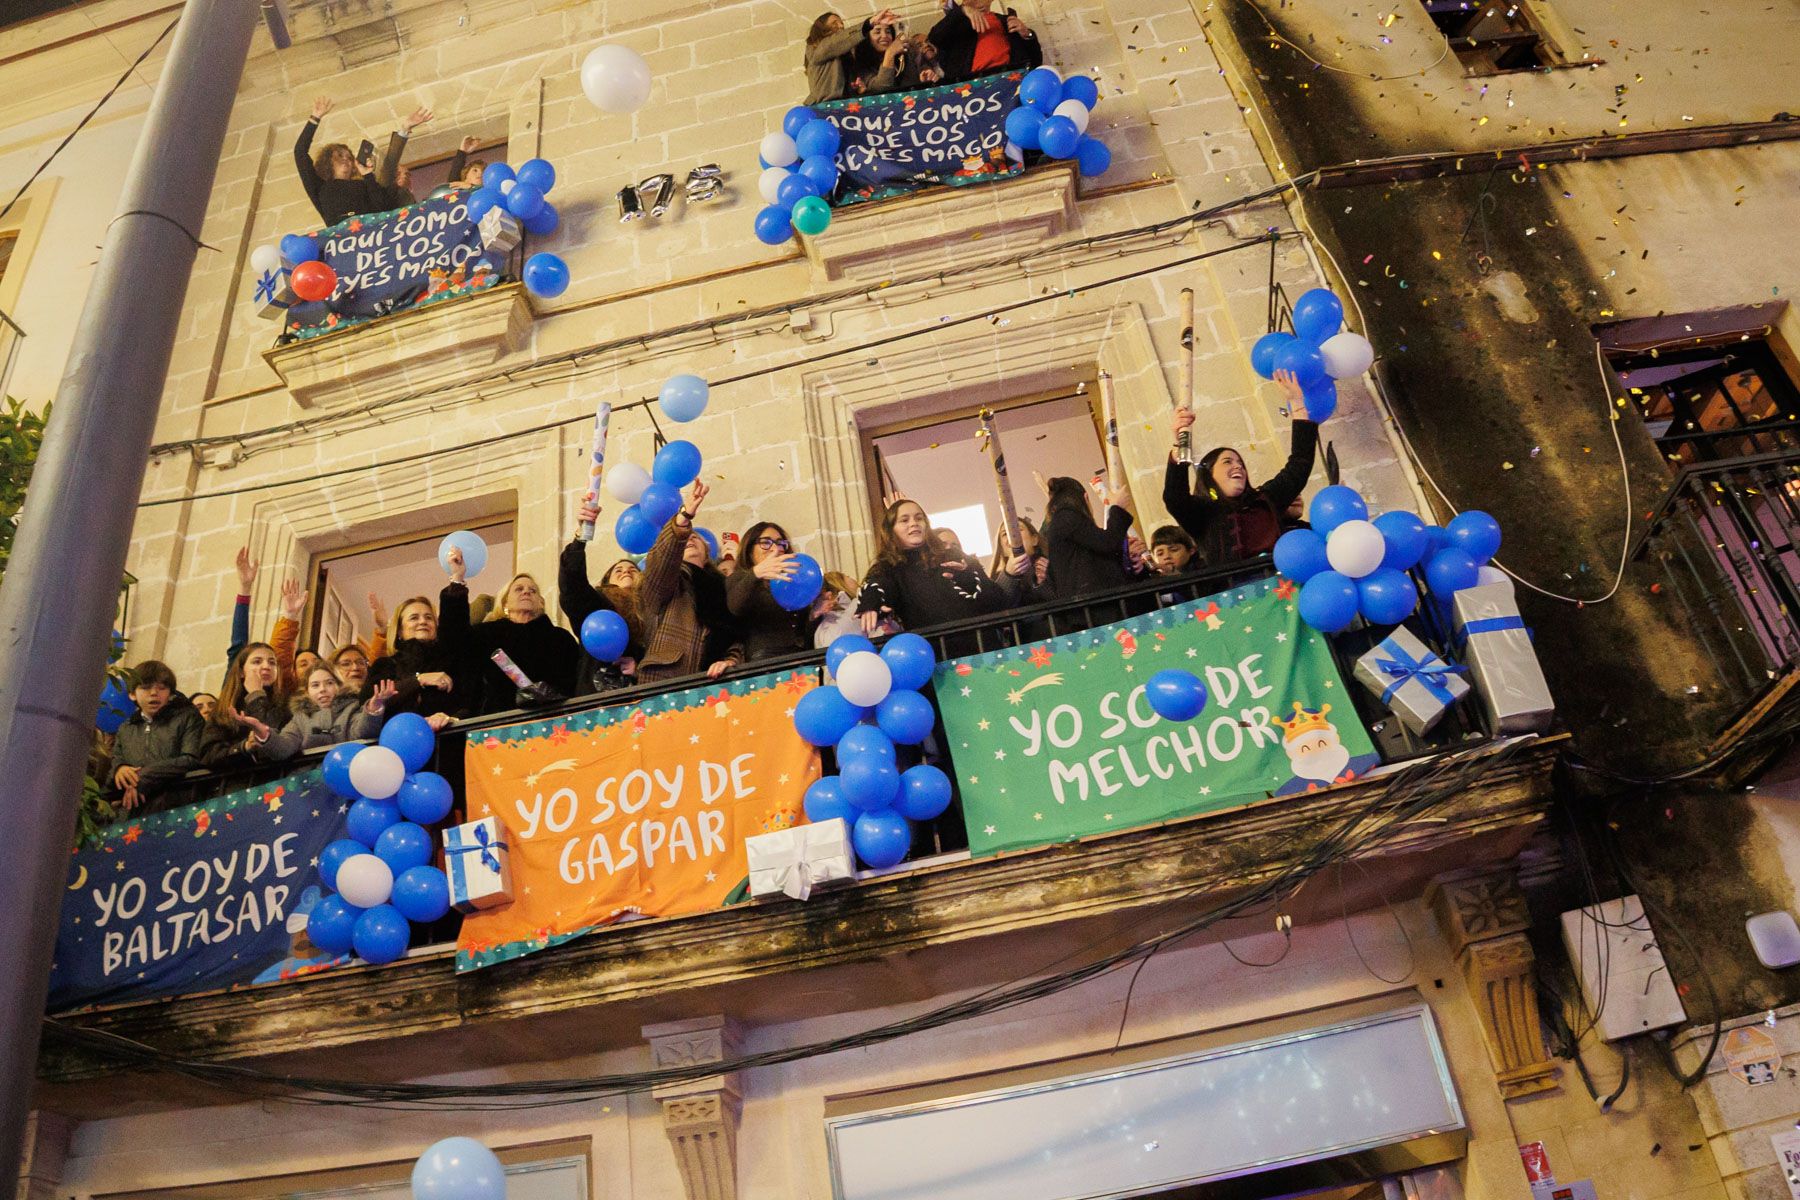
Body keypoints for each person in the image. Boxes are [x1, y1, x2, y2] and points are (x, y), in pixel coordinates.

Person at [1164, 368, 1320, 565]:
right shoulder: (1201, 512)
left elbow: (1299, 464)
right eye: (1228, 461)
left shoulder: (1266, 499)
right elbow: (1174, 498)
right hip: (1233, 583)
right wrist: (1180, 443)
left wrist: (1297, 404)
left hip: (1280, 581)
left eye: (1241, 463)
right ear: (1209, 474)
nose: (1238, 467)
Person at [859, 499, 1026, 633]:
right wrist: (870, 603)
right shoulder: (889, 568)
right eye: (904, 520)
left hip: (982, 648)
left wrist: (967, 578)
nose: (914, 523)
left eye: (919, 518)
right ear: (891, 529)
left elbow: (996, 600)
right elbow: (877, 584)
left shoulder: (953, 555)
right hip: (935, 654)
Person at [440, 559, 583, 713]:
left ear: (541, 603)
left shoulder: (560, 639)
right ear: (505, 603)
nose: (526, 592)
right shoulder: (488, 634)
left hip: (554, 719)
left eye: (533, 590)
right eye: (519, 589)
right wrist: (457, 579)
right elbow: (454, 638)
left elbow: (576, 681)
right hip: (499, 720)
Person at [636, 482, 743, 683]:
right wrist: (683, 519)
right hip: (666, 682)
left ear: (707, 550)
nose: (690, 540)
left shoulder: (722, 586)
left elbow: (735, 637)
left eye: (696, 538)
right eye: (686, 538)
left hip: (715, 687)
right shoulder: (665, 581)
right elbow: (662, 560)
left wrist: (730, 661)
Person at [294, 97, 431, 226]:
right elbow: (300, 153)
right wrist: (315, 118)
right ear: (327, 161)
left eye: (349, 157)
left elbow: (382, 207)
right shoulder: (320, 187)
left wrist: (368, 176)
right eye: (340, 155)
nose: (346, 159)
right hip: (343, 239)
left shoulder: (364, 184)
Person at [561, 502, 646, 695]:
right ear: (607, 581)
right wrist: (581, 536)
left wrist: (640, 668)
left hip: (644, 701)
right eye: (618, 570)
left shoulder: (653, 608)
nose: (626, 571)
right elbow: (572, 586)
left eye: (633, 570)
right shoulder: (598, 605)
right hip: (594, 697)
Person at [109, 661, 207, 814]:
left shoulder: (188, 717)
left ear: (170, 693)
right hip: (134, 810)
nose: (154, 693)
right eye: (146, 687)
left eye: (162, 688)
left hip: (177, 805)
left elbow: (191, 759)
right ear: (132, 694)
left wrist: (144, 776)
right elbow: (116, 761)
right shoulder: (126, 728)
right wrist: (120, 769)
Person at [249, 665, 394, 761]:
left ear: (339, 686)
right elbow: (284, 748)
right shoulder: (300, 718)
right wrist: (264, 734)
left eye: (329, 683)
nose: (322, 689)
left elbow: (363, 731)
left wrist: (373, 709)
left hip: (348, 772)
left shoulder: (352, 708)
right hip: (309, 781)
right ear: (307, 691)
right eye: (315, 685)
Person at [365, 596, 468, 727]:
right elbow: (370, 701)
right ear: (400, 630)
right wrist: (418, 680)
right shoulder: (385, 664)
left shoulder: (451, 662)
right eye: (414, 618)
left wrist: (450, 718)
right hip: (397, 736)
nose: (423, 621)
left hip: (447, 736)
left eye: (429, 617)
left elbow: (469, 703)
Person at [726, 521, 812, 661]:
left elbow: (802, 631)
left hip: (800, 658)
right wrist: (756, 574)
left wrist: (814, 616)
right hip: (765, 661)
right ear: (749, 551)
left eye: (780, 543)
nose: (775, 549)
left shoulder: (791, 581)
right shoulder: (739, 578)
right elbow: (735, 607)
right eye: (766, 543)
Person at [1041, 476, 1134, 599]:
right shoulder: (1067, 517)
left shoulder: (1060, 522)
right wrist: (1118, 508)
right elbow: (1107, 543)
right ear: (1085, 498)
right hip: (1094, 600)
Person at [200, 643, 289, 771]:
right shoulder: (224, 708)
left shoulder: (286, 704)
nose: (266, 667)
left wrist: (256, 695)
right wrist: (244, 747)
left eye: (272, 663)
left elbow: (272, 742)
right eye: (257, 662)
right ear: (241, 672)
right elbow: (208, 755)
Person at [928, 0, 1041, 84]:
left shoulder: (1006, 21)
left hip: (1010, 81)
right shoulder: (956, 24)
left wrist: (1027, 34)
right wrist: (961, 11)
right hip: (971, 86)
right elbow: (934, 37)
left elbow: (1036, 61)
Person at [804, 8, 898, 104]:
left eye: (842, 23)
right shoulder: (816, 49)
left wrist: (889, 55)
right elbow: (836, 41)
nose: (841, 26)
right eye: (834, 24)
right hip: (823, 108)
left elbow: (881, 86)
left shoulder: (849, 57)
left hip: (846, 108)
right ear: (821, 29)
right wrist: (870, 22)